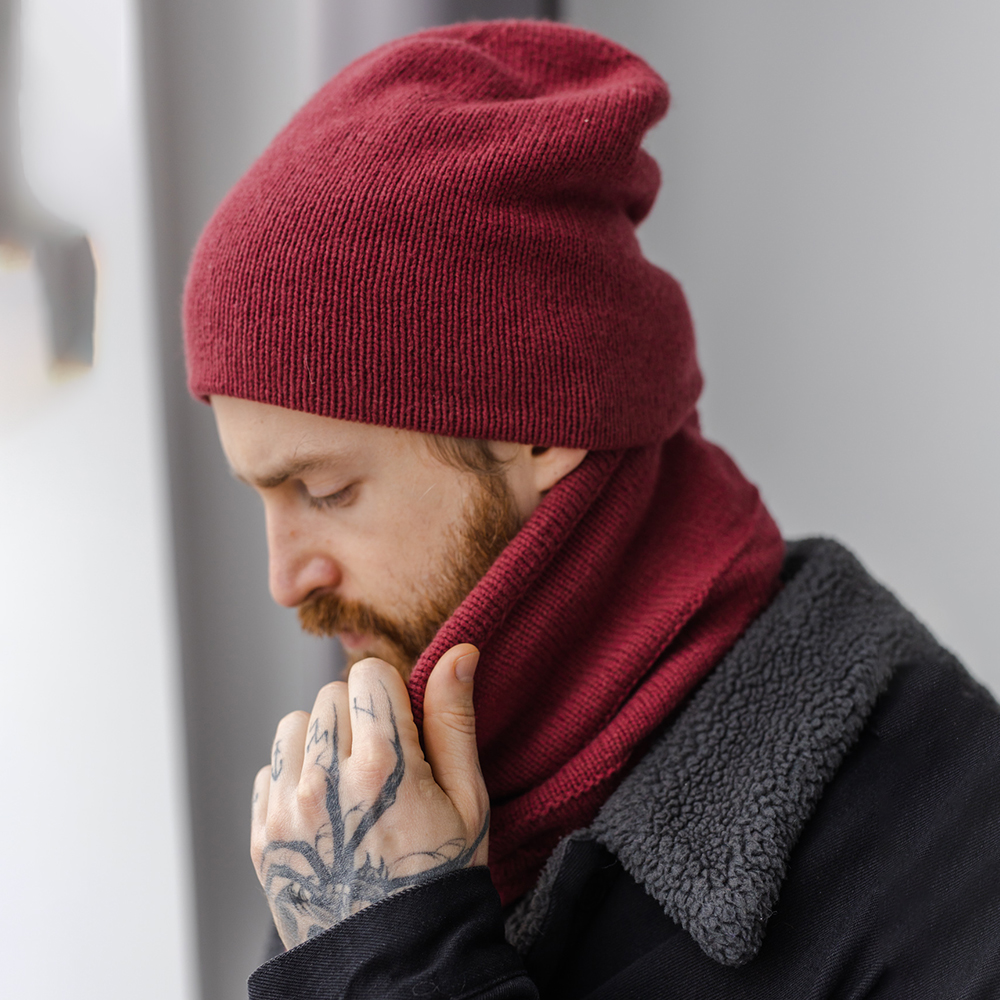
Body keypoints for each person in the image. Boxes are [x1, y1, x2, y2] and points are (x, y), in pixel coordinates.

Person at [182, 19, 1000, 999]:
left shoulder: (952, 849)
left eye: (327, 490)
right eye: (262, 496)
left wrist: (391, 957)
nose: (284, 579)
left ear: (540, 426)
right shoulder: (365, 818)